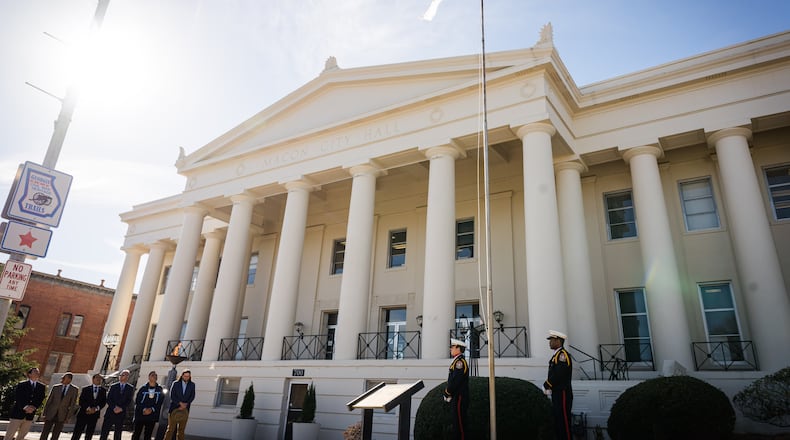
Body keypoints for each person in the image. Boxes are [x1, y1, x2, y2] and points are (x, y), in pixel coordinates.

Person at [543, 330, 573, 440]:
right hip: (557, 392)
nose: (549, 342)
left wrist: (547, 384)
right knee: (558, 421)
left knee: (563, 421)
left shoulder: (562, 355)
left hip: (562, 392)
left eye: (552, 340)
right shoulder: (556, 355)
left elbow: (559, 374)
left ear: (558, 341)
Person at [6, 367, 46, 440]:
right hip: (17, 413)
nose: (37, 373)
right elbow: (18, 397)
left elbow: (40, 399)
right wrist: (25, 407)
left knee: (22, 436)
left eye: (38, 372)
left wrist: (33, 407)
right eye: (35, 372)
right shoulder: (22, 384)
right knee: (10, 435)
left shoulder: (41, 387)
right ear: (29, 374)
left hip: (30, 415)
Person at [40, 372, 79, 440]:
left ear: (69, 379)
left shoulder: (74, 389)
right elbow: (49, 401)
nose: (62, 379)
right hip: (51, 413)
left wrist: (68, 417)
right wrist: (44, 413)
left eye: (64, 378)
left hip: (62, 414)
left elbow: (72, 404)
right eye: (62, 377)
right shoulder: (56, 387)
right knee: (45, 432)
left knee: (56, 433)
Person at [443, 338, 469, 440]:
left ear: (458, 348)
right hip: (457, 396)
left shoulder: (460, 362)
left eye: (452, 347)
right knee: (457, 424)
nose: (451, 349)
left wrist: (447, 392)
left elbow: (455, 381)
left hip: (459, 397)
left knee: (460, 426)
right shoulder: (457, 361)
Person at [99, 369, 135, 440]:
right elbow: (109, 398)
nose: (124, 376)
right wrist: (114, 407)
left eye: (126, 375)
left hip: (121, 413)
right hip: (111, 412)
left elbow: (129, 400)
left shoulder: (130, 388)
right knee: (105, 431)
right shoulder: (113, 386)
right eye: (122, 375)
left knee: (118, 433)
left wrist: (121, 408)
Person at [71, 374, 108, 440]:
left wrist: (95, 409)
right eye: (97, 378)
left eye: (100, 379)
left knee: (89, 433)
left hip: (94, 415)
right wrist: (88, 408)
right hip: (83, 414)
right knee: (77, 432)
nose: (99, 380)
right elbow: (81, 401)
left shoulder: (103, 391)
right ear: (93, 379)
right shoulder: (86, 389)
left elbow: (103, 402)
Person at [163, 369, 195, 440]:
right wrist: (180, 403)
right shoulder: (176, 383)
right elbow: (172, 395)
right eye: (185, 376)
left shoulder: (192, 385)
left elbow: (192, 396)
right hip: (174, 409)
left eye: (188, 376)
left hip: (185, 410)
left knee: (181, 430)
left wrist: (185, 404)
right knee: (170, 429)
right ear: (182, 376)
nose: (186, 378)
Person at [132, 371, 164, 440]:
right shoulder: (143, 388)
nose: (154, 377)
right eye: (152, 375)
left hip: (152, 416)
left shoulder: (159, 389)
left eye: (155, 375)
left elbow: (160, 402)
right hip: (141, 414)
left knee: (148, 435)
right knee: (136, 433)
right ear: (149, 377)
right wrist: (144, 409)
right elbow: (138, 401)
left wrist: (151, 409)